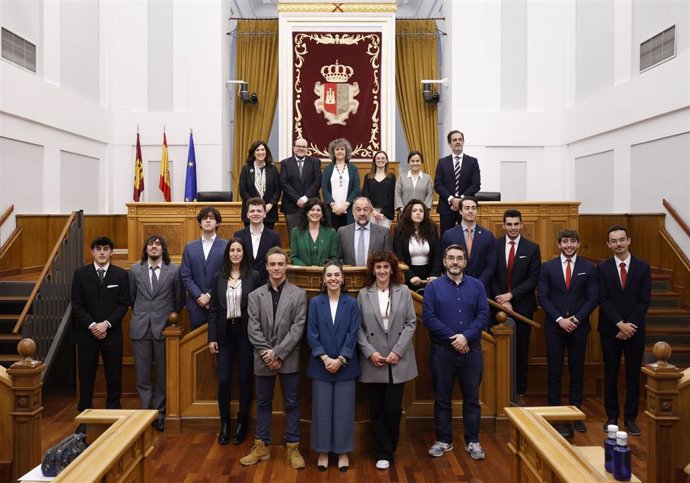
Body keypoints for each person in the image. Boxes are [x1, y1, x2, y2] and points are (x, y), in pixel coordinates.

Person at [242, 247, 308, 469]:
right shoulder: (255, 296)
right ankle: (261, 447)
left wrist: (278, 353)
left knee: (291, 402)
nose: (277, 268)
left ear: (286, 266)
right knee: (262, 402)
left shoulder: (298, 294)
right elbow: (253, 328)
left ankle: (293, 447)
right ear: (267, 266)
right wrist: (267, 353)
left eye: (281, 264)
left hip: (288, 357)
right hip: (262, 357)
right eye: (273, 264)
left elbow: (298, 328)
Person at [423, 244, 488, 460]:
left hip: (472, 352)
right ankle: (444, 440)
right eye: (450, 258)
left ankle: (473, 441)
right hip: (443, 352)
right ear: (444, 261)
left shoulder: (477, 286)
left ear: (465, 262)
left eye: (459, 258)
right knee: (442, 399)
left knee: (472, 398)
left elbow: (483, 315)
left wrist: (465, 337)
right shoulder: (433, 288)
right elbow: (429, 318)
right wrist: (454, 338)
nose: (455, 262)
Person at [357, 250, 417, 470]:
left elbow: (411, 323)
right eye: (378, 267)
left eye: (386, 267)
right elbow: (359, 328)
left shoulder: (404, 292)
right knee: (376, 408)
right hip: (374, 359)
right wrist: (369, 352)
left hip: (397, 359)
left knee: (392, 408)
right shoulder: (364, 294)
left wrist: (398, 351)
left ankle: (390, 444)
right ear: (373, 270)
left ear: (392, 269)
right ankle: (382, 452)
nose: (382, 271)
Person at [538, 229, 598, 434]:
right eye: (565, 241)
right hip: (554, 328)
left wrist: (576, 319)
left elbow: (592, 298)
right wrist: (559, 320)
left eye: (573, 241)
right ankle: (554, 415)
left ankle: (576, 414)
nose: (569, 245)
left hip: (579, 328)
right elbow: (543, 297)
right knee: (554, 372)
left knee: (577, 372)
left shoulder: (589, 268)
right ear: (559, 244)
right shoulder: (548, 267)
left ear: (578, 244)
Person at [71, 236, 130, 432]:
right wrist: (93, 325)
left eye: (106, 249)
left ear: (111, 252)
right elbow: (77, 305)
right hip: (87, 334)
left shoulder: (121, 275)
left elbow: (124, 304)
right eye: (98, 249)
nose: (102, 252)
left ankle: (113, 413)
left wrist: (106, 324)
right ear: (93, 252)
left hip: (111, 333)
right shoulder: (80, 274)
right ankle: (85, 416)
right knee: (86, 374)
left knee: (114, 374)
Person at [307, 261, 361, 472]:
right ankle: (322, 451)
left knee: (344, 411)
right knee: (322, 410)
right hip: (321, 365)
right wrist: (325, 358)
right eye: (329, 275)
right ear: (323, 279)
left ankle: (342, 451)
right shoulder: (315, 303)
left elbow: (353, 333)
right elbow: (311, 333)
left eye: (336, 274)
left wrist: (340, 359)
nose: (333, 278)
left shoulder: (352, 303)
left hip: (345, 365)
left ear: (342, 278)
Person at [597, 225, 651, 436]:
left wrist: (629, 326)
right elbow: (603, 299)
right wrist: (620, 324)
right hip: (610, 330)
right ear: (608, 244)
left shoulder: (643, 267)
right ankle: (612, 417)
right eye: (614, 241)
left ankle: (631, 418)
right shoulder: (602, 269)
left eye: (621, 239)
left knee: (633, 375)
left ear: (629, 240)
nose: (618, 244)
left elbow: (644, 300)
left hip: (635, 330)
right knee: (611, 374)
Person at [208, 237, 261, 445]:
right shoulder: (218, 277)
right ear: (227, 254)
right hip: (224, 334)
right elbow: (213, 310)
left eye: (239, 250)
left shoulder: (254, 276)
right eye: (232, 251)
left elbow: (257, 307)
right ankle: (225, 424)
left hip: (246, 334)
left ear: (244, 254)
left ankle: (242, 423)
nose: (236, 254)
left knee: (245, 379)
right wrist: (212, 337)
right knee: (224, 380)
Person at [129, 235, 184, 432]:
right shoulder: (135, 270)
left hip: (165, 328)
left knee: (163, 374)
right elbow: (131, 297)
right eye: (151, 244)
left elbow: (179, 299)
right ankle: (146, 413)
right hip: (141, 327)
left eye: (158, 244)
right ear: (146, 249)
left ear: (163, 249)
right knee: (142, 374)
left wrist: (168, 315)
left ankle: (160, 413)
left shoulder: (174, 270)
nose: (154, 247)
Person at [490, 209, 541, 406]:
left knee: (520, 351)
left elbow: (533, 278)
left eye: (516, 224)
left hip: (523, 308)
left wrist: (512, 295)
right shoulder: (494, 245)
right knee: (498, 350)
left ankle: (519, 391)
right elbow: (491, 273)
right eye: (509, 224)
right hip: (497, 306)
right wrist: (501, 299)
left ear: (521, 225)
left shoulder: (532, 248)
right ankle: (499, 391)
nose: (512, 228)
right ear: (503, 225)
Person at [180, 206, 228, 329]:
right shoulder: (189, 247)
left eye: (211, 218)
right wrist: (199, 296)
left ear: (217, 222)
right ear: (200, 223)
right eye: (204, 218)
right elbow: (185, 275)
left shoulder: (227, 246)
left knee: (219, 343)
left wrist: (209, 296)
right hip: (196, 305)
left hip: (219, 303)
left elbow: (227, 273)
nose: (208, 220)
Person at [441, 196, 496, 290]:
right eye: (467, 208)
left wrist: (478, 284)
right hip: (455, 287)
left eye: (473, 208)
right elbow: (444, 262)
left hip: (481, 288)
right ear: (460, 211)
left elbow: (491, 265)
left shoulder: (488, 235)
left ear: (477, 211)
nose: (471, 211)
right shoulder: (449, 235)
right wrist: (457, 281)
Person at [434, 130, 481, 235]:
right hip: (446, 207)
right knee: (446, 237)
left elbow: (476, 185)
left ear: (463, 142)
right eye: (454, 140)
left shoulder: (472, 162)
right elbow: (438, 185)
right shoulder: (442, 162)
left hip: (467, 207)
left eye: (460, 139)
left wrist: (461, 200)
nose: (458, 142)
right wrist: (452, 199)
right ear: (450, 144)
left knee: (468, 236)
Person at [393, 199, 442, 292]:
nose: (418, 213)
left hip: (429, 275)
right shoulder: (399, 230)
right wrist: (410, 276)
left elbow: (437, 253)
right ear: (408, 213)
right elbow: (398, 256)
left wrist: (435, 274)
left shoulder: (432, 229)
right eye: (414, 211)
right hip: (408, 275)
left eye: (421, 211)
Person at [279, 138, 322, 237]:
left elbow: (317, 182)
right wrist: (297, 198)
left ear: (307, 149)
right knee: (294, 237)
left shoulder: (315, 162)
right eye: (298, 146)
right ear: (294, 148)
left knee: (312, 236)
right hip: (291, 206)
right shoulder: (285, 163)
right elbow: (283, 183)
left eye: (303, 147)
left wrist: (305, 198)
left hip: (311, 206)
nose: (301, 149)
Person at [234, 197, 281, 284]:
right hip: (244, 283)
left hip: (267, 285)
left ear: (265, 214)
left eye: (259, 211)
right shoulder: (238, 235)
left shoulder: (274, 237)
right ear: (247, 214)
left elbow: (276, 261)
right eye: (252, 211)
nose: (255, 214)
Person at [337, 197, 393, 266]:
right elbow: (338, 259)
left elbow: (389, 259)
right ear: (353, 212)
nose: (362, 213)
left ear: (370, 211)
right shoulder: (342, 232)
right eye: (358, 210)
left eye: (365, 210)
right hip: (349, 275)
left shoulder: (383, 233)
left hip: (374, 275)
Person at [238, 140, 281, 230]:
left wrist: (271, 204)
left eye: (263, 150)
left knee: (267, 240)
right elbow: (242, 190)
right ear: (253, 153)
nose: (260, 152)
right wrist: (254, 205)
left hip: (268, 212)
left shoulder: (273, 169)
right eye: (257, 150)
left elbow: (277, 190)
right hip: (251, 211)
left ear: (266, 152)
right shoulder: (246, 169)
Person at [322, 138, 361, 231]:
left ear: (346, 152)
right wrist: (333, 205)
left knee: (347, 238)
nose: (340, 151)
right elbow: (324, 188)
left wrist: (346, 205)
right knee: (333, 238)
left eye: (342, 149)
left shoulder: (353, 169)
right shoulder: (327, 169)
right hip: (332, 210)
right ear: (333, 152)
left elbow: (356, 188)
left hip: (349, 210)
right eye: (337, 149)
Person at [290, 197, 338, 266]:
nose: (315, 212)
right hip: (304, 274)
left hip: (324, 274)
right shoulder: (296, 232)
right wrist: (307, 270)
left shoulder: (331, 232)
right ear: (307, 213)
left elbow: (334, 258)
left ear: (322, 214)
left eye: (318, 210)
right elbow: (294, 257)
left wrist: (323, 269)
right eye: (312, 210)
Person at [362, 150, 396, 229]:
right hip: (370, 212)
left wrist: (382, 213)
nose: (380, 160)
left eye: (383, 158)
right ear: (374, 160)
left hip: (386, 214)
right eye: (378, 158)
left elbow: (392, 196)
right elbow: (365, 196)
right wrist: (373, 211)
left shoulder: (391, 177)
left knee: (383, 238)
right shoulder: (368, 177)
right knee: (371, 238)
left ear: (386, 160)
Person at [394, 150, 434, 214]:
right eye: (412, 161)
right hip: (405, 214)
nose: (415, 163)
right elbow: (397, 194)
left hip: (421, 215)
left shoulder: (427, 179)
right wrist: (402, 209)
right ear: (408, 162)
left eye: (417, 161)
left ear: (421, 162)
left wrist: (424, 210)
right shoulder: (401, 178)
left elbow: (430, 195)